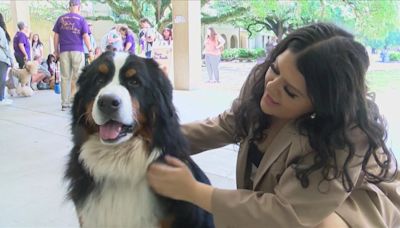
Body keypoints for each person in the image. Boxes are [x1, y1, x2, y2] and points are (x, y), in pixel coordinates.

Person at [147, 23, 400, 227]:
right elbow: (224, 126)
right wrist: (150, 137)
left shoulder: (347, 133)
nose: (271, 87)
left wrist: (193, 190)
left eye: (290, 92)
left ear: (323, 105)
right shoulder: (263, 84)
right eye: (276, 69)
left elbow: (288, 216)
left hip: (358, 205)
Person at [53, 0, 93, 111]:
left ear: (69, 6)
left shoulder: (61, 19)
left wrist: (56, 51)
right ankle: (76, 101)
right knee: (78, 76)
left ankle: (65, 104)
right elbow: (86, 36)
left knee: (65, 77)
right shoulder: (81, 19)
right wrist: (90, 50)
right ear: (79, 7)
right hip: (77, 51)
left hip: (64, 51)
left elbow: (56, 36)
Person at [0, 13, 14, 105]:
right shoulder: (0, 30)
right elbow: (4, 46)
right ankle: (1, 99)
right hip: (2, 58)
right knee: (1, 79)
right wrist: (11, 58)